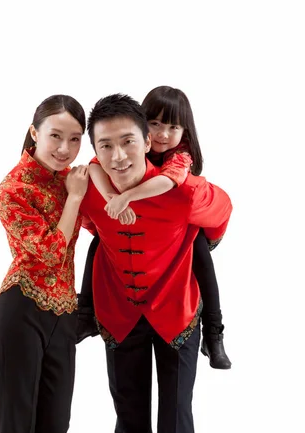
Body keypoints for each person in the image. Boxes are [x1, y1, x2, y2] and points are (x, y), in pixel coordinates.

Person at [79, 94, 232, 433]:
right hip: (119, 315)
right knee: (128, 421)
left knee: (175, 423)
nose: (119, 155)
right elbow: (77, 220)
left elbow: (223, 213)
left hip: (176, 316)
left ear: (149, 142)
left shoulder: (184, 189)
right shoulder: (90, 189)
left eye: (129, 141)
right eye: (106, 146)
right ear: (95, 151)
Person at [0, 94, 89, 433]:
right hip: (21, 310)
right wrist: (74, 197)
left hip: (62, 317)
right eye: (56, 135)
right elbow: (49, 253)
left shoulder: (71, 180)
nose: (66, 148)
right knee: (17, 429)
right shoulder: (14, 187)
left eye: (75, 139)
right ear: (34, 132)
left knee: (53, 429)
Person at [78, 86, 231, 369]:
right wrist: (110, 197)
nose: (163, 135)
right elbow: (96, 166)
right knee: (100, 241)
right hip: (122, 311)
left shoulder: (180, 160)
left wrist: (128, 197)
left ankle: (214, 328)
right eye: (156, 124)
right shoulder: (112, 154)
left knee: (195, 244)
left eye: (173, 127)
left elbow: (211, 203)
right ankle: (85, 312)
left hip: (176, 300)